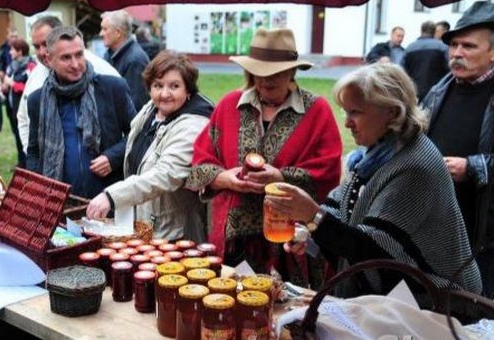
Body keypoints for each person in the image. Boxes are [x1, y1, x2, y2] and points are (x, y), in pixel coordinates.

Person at [268, 63, 482, 301]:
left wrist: (314, 218)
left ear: (391, 111)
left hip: (437, 302)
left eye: (355, 112)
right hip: (400, 298)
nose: (347, 122)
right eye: (345, 112)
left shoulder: (415, 165)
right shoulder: (373, 155)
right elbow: (340, 210)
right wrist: (309, 233)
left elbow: (371, 249)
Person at [186, 28, 342, 287]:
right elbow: (199, 162)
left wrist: (280, 177)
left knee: (284, 313)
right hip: (232, 240)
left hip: (289, 242)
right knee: (230, 305)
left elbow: (329, 173)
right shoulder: (229, 105)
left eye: (275, 74)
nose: (265, 81)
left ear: (292, 72)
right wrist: (223, 178)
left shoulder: (316, 110)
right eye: (258, 73)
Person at [86, 51, 213, 242]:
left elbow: (165, 174)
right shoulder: (152, 110)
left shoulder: (193, 126)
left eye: (174, 86)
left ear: (188, 90)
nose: (164, 94)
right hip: (147, 226)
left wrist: (112, 196)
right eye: (158, 85)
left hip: (174, 235)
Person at [421, 1, 494, 297]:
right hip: (436, 228)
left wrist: (473, 167)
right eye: (453, 45)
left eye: (468, 46)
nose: (457, 54)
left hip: (485, 236)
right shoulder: (440, 89)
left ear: (492, 52)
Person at [26, 26, 137, 198]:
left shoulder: (113, 88)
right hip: (59, 201)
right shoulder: (37, 100)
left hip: (107, 198)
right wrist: (37, 188)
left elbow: (138, 133)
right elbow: (34, 151)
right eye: (66, 58)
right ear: (49, 59)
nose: (75, 64)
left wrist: (112, 157)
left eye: (79, 54)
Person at [17, 16, 120, 154]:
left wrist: (112, 158)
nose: (41, 52)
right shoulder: (36, 75)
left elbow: (127, 125)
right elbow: (23, 118)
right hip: (49, 168)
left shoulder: (102, 72)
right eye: (36, 46)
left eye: (45, 43)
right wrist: (32, 154)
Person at [101, 10, 151, 111]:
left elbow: (135, 106)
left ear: (118, 33)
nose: (101, 33)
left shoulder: (136, 60)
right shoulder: (110, 54)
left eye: (105, 29)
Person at [2, 37, 35, 168]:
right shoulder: (11, 66)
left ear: (20, 51)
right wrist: (5, 87)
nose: (10, 52)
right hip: (12, 108)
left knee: (25, 137)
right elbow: (6, 81)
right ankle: (21, 163)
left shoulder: (31, 65)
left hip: (24, 108)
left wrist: (13, 84)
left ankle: (28, 164)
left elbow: (29, 86)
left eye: (12, 49)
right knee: (17, 136)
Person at [401, 21, 449, 100]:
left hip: (414, 91)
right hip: (436, 92)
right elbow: (448, 69)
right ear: (434, 31)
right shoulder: (442, 47)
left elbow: (403, 72)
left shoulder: (410, 48)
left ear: (421, 31)